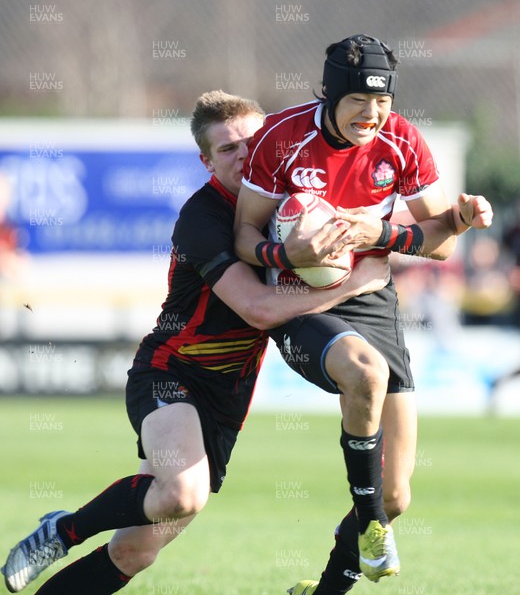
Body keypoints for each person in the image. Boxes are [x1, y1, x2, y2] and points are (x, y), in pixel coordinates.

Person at [1, 90, 391, 594]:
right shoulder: (202, 219)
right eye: (227, 149)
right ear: (205, 161)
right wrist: (353, 284)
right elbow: (257, 308)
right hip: (171, 371)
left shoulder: (295, 204)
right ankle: (61, 531)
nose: (244, 155)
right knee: (183, 494)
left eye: (253, 141)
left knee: (134, 551)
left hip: (227, 400)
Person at [233, 34, 493, 593]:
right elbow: (243, 236)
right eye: (358, 102)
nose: (372, 115)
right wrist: (288, 254)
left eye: (382, 102)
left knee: (398, 494)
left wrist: (452, 219)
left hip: (373, 297)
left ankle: (332, 582)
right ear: (330, 95)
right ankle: (371, 524)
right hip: (300, 301)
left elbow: (440, 241)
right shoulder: (282, 139)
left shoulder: (401, 140)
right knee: (365, 373)